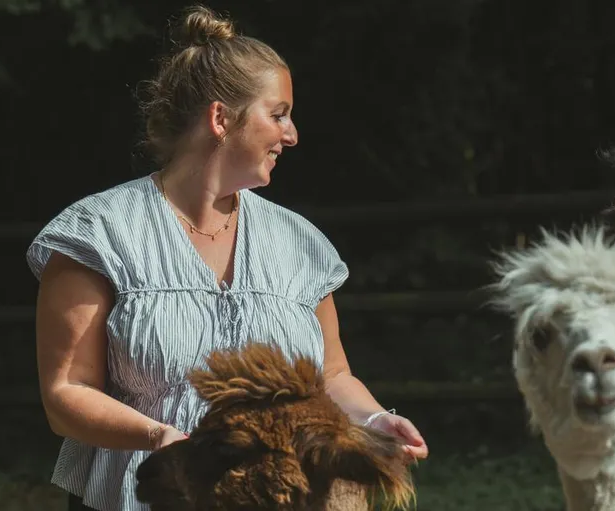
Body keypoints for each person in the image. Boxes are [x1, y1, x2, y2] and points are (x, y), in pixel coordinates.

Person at [26, 5, 429, 511]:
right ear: (221, 118)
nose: (292, 134)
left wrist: (372, 421)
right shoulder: (99, 233)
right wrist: (162, 441)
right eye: (278, 114)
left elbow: (332, 376)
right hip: (135, 497)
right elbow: (67, 393)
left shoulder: (299, 244)